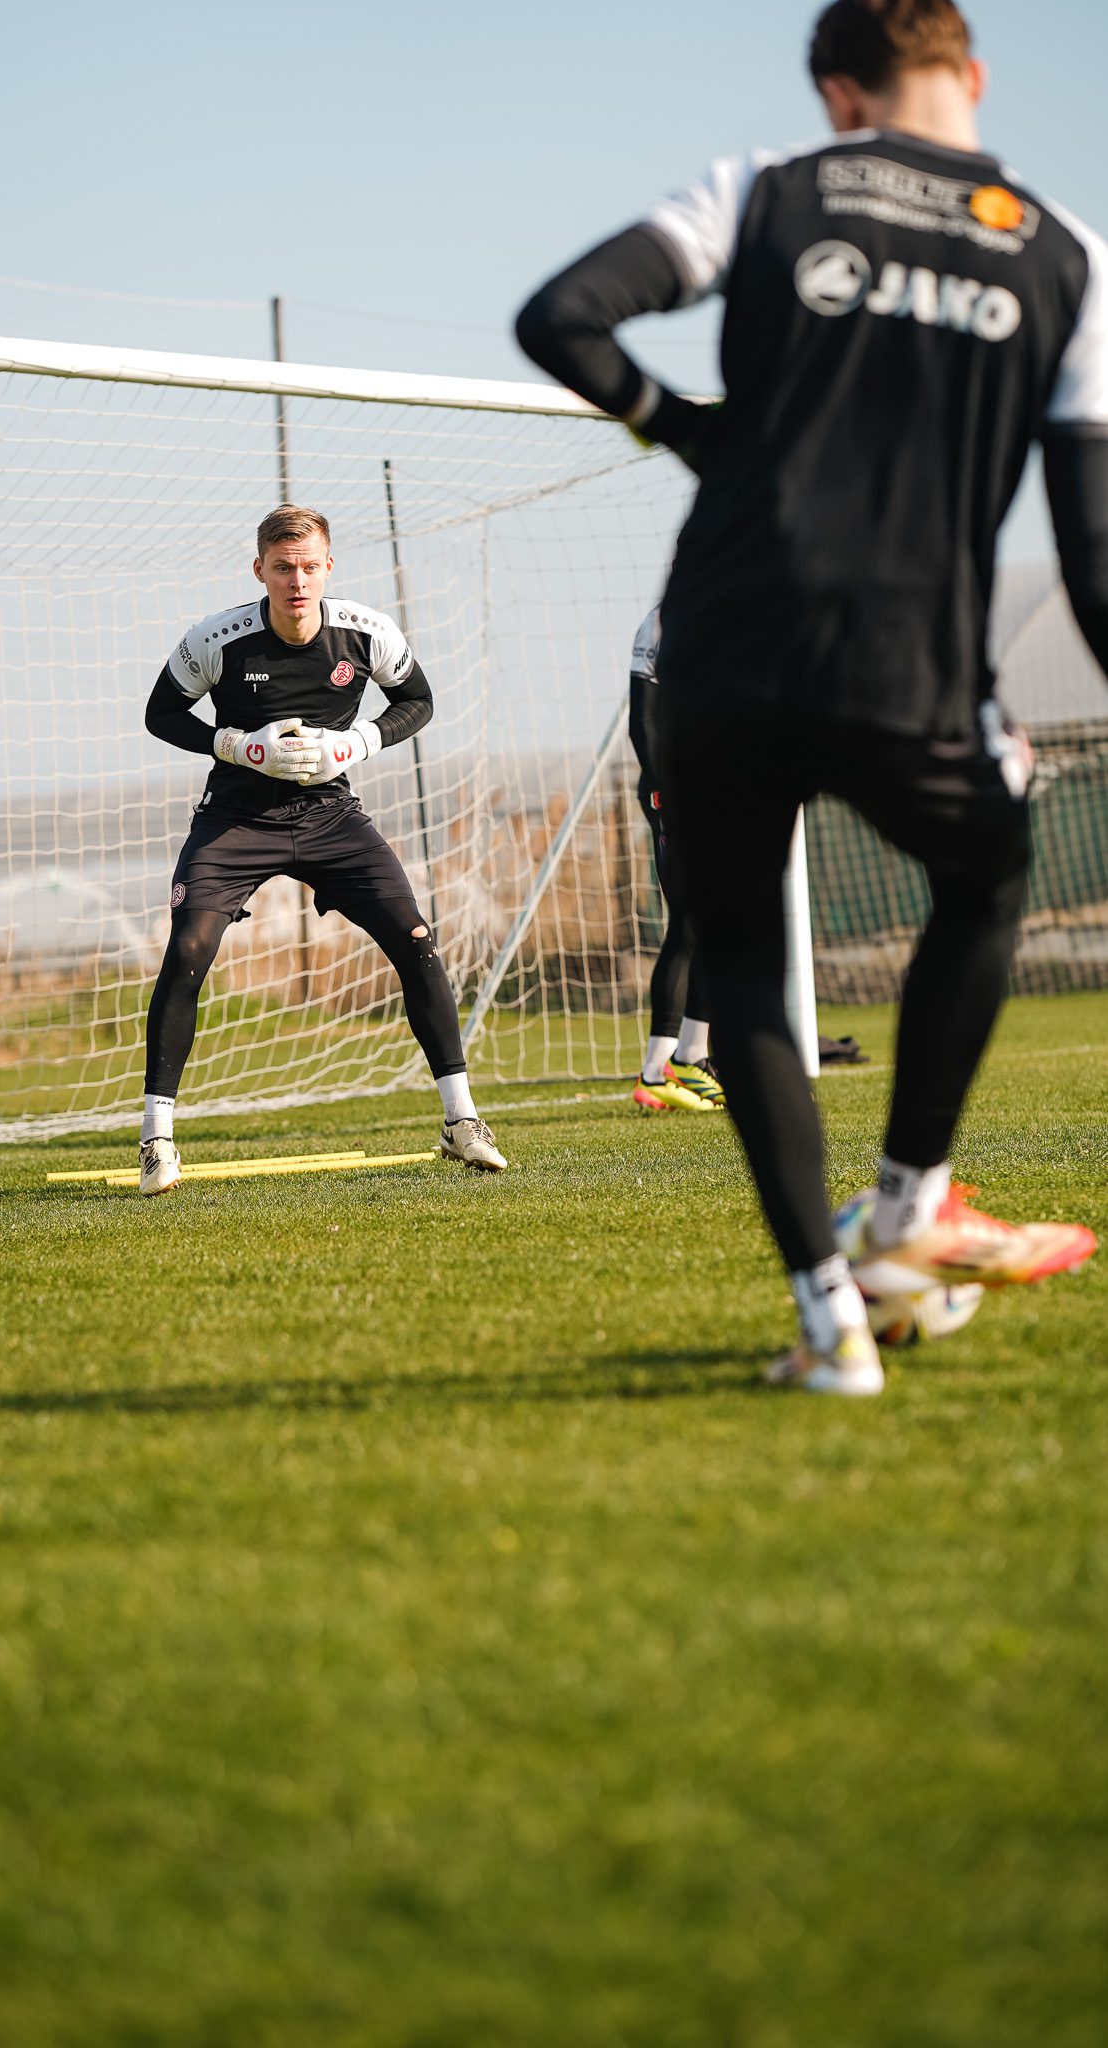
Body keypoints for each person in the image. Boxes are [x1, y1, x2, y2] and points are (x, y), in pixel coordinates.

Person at [516, 0, 1099, 1393]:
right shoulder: (1067, 253)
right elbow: (1091, 558)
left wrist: (688, 430)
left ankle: (831, 1323)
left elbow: (559, 317)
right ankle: (908, 1205)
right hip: (911, 660)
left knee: (746, 975)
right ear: (973, 73)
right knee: (985, 878)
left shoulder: (767, 188)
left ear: (839, 93)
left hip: (719, 643)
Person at [137, 504, 506, 1194]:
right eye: (283, 568)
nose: (297, 581)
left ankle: (462, 1120)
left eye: (309, 567)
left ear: (328, 567)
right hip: (236, 818)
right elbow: (160, 713)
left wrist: (356, 742)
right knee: (188, 946)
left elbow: (417, 701)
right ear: (260, 570)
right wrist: (236, 746)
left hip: (331, 816)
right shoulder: (216, 639)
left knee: (416, 939)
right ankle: (156, 1139)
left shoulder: (367, 632)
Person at [628, 605, 725, 1113]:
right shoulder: (665, 620)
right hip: (678, 792)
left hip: (721, 787)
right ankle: (656, 1070)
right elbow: (641, 719)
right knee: (689, 923)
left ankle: (690, 1058)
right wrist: (667, 788)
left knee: (715, 923)